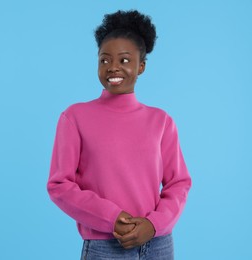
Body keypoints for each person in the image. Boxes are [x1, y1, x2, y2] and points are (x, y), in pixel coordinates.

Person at [47, 10, 191, 259]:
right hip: (106, 246)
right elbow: (59, 185)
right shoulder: (75, 117)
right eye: (104, 60)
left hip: (158, 244)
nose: (113, 67)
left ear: (141, 66)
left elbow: (179, 183)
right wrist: (111, 218)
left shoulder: (161, 121)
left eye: (124, 60)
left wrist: (154, 224)